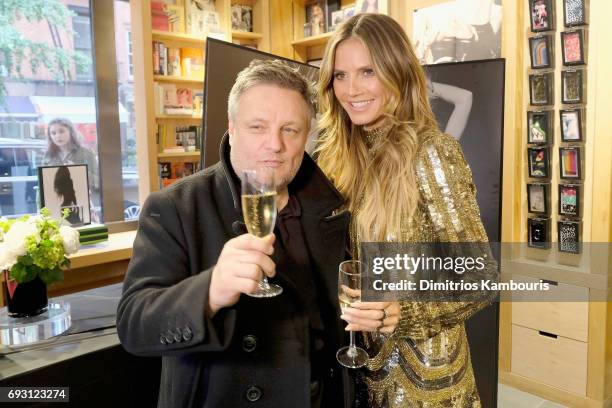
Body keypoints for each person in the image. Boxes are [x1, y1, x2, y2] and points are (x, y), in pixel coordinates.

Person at [117, 59, 352, 408]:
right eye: (258, 127)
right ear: (232, 127)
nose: (274, 144)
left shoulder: (334, 207)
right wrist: (210, 291)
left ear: (307, 136)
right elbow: (134, 326)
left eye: (290, 129)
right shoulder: (176, 207)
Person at [316, 14, 496, 407]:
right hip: (364, 368)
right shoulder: (337, 158)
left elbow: (480, 277)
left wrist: (405, 310)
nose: (351, 89)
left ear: (397, 72)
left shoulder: (431, 152)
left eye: (367, 71)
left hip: (429, 380)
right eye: (340, 75)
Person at [42, 118, 99, 220]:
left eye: (61, 131)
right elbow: (43, 184)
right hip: (54, 205)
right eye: (53, 133)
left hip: (81, 203)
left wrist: (77, 171)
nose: (58, 136)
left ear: (71, 132)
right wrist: (41, 207)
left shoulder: (86, 153)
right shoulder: (48, 156)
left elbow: (97, 181)